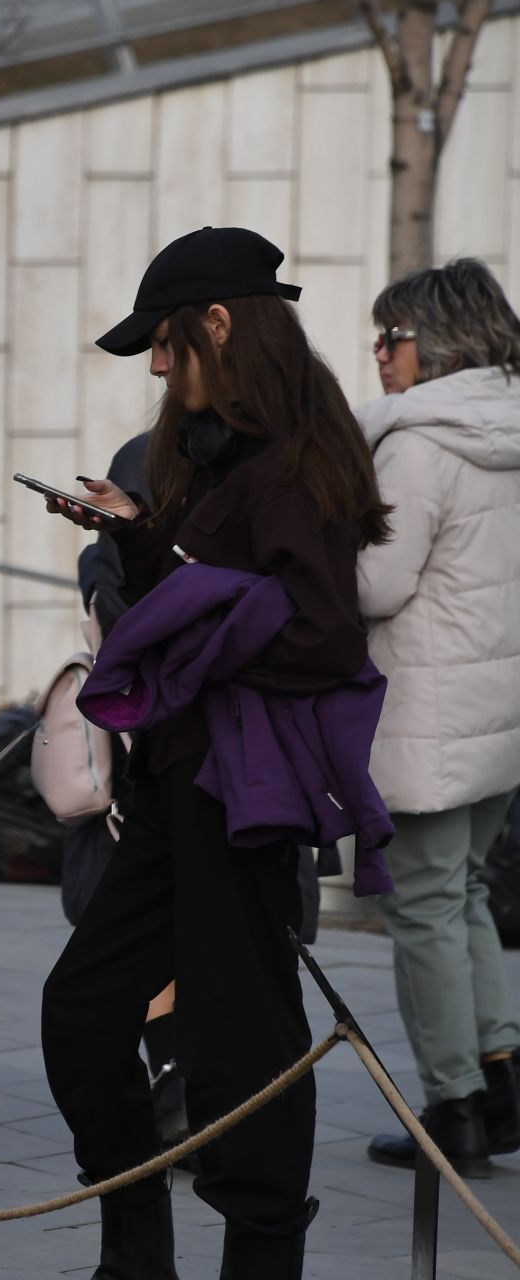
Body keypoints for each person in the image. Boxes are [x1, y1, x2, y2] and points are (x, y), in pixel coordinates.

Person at [37, 226, 393, 1280]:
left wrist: (197, 618)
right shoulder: (220, 451)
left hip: (241, 795)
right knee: (84, 1013)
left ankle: (258, 1263)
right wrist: (143, 541)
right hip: (178, 782)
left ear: (221, 324)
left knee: (245, 1051)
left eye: (164, 341)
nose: (154, 363)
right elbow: (208, 582)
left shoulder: (294, 461)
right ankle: (134, 1252)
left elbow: (323, 632)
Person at [356, 258, 520, 1177]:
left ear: (437, 344)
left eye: (392, 339)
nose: (379, 357)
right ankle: (500, 1084)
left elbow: (376, 584)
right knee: (463, 894)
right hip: (500, 711)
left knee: (422, 904)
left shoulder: (418, 443)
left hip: (426, 712)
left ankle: (450, 1109)